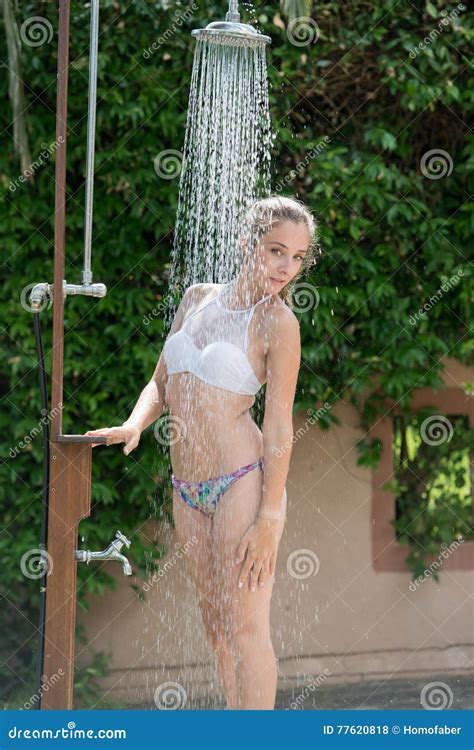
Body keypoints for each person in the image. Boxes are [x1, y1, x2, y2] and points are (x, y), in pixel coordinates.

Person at [84, 195, 318, 709]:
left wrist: (269, 517)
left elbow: (279, 425)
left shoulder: (279, 324)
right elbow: (161, 381)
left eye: (298, 257)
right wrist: (134, 424)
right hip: (187, 489)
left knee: (245, 626)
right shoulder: (197, 299)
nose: (286, 267)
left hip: (241, 480)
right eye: (277, 250)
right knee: (215, 623)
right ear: (246, 241)